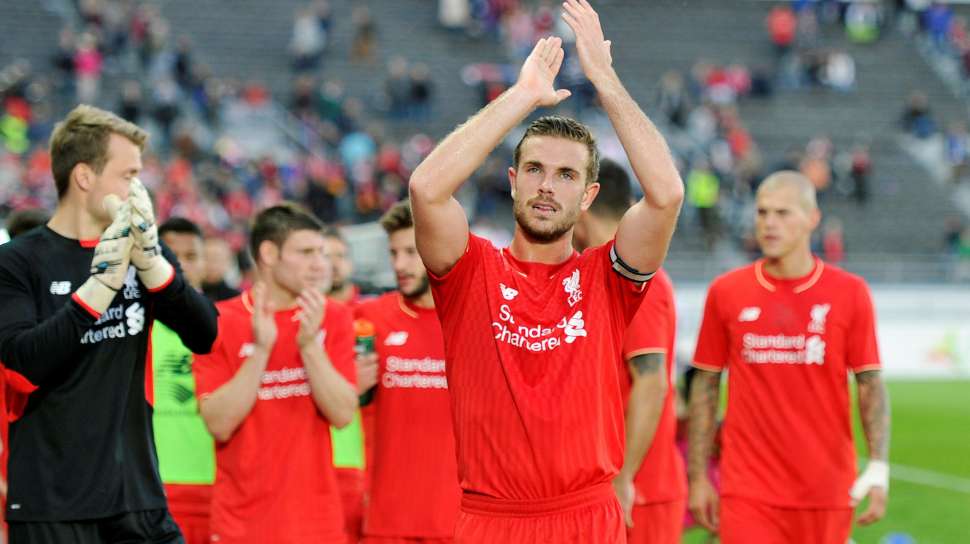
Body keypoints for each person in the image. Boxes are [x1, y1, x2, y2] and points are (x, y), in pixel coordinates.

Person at [407, 1, 684, 541]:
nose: (547, 186)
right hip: (491, 520)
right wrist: (522, 95)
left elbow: (667, 194)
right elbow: (426, 188)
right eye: (534, 169)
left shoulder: (608, 278)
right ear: (513, 181)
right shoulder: (470, 271)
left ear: (589, 196)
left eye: (566, 175)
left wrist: (604, 80)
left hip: (587, 518)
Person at [0, 104, 218, 543]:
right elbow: (24, 363)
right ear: (85, 177)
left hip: (137, 496)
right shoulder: (17, 261)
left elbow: (205, 334)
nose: (139, 189)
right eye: (128, 175)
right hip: (53, 503)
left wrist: (153, 264)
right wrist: (98, 289)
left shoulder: (142, 247)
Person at [687, 171, 890, 544]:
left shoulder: (850, 293)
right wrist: (698, 476)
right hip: (748, 490)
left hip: (825, 489)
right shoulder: (726, 291)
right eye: (762, 212)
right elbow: (705, 385)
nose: (769, 223)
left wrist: (878, 466)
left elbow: (870, 383)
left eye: (782, 213)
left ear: (812, 218)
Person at [193, 203, 358, 543]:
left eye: (321, 252)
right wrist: (260, 351)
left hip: (316, 525)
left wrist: (310, 346)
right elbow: (219, 424)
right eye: (306, 252)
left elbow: (343, 414)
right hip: (242, 526)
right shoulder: (219, 321)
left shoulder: (333, 316)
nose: (320, 264)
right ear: (269, 253)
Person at [573, 159, 686, 543]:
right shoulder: (603, 274)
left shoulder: (636, 280)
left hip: (638, 493)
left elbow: (652, 384)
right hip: (610, 487)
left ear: (585, 204)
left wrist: (625, 479)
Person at [355, 200, 460, 543]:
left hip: (457, 520)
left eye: (411, 253)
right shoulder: (368, 319)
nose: (399, 265)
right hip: (387, 519)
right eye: (393, 253)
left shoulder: (472, 319)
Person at [153, 217, 216, 544]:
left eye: (191, 257)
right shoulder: (135, 331)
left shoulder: (228, 326)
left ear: (206, 262)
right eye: (170, 256)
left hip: (218, 489)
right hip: (153, 490)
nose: (180, 266)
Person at [322, 226, 369, 542]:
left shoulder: (370, 317)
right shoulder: (300, 318)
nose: (333, 264)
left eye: (339, 256)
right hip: (318, 460)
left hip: (363, 461)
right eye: (325, 256)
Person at [202, 237, 240, 302]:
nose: (210, 263)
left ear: (228, 262)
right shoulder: (190, 294)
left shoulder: (236, 298)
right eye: (206, 257)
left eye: (216, 258)